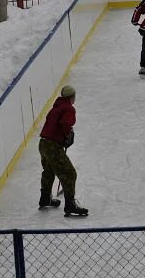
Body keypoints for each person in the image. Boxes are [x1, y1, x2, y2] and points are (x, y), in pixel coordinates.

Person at [38, 85, 88, 216]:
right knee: (70, 173)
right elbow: (66, 123)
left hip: (43, 143)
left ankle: (45, 197)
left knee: (48, 171)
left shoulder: (55, 109)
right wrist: (67, 135)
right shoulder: (69, 109)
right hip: (53, 145)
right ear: (72, 97)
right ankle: (70, 204)